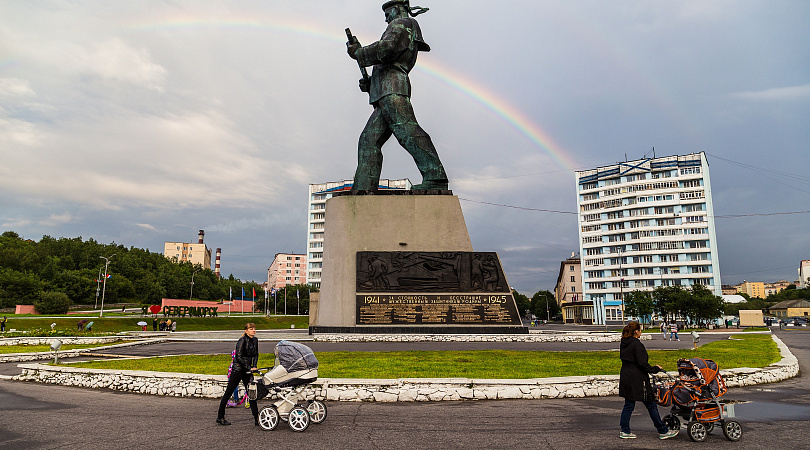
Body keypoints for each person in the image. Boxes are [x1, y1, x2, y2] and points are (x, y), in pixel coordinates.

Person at [346, 0, 449, 191]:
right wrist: (370, 84)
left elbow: (386, 50)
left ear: (398, 8)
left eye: (388, 12)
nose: (386, 17)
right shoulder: (402, 26)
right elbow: (388, 61)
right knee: (369, 139)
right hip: (387, 90)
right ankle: (364, 187)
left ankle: (435, 177)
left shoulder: (402, 23)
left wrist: (359, 52)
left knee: (406, 131)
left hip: (393, 88)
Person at [619, 321, 679, 440]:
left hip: (626, 376)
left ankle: (625, 430)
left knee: (629, 404)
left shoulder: (624, 343)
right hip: (638, 379)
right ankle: (662, 430)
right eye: (640, 330)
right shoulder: (637, 344)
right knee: (651, 404)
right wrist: (655, 369)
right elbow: (642, 363)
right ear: (636, 332)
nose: (641, 332)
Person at [217, 323, 260, 426]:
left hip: (247, 371)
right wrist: (249, 367)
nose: (253, 330)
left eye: (254, 329)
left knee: (252, 394)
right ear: (246, 331)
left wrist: (254, 366)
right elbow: (239, 357)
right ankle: (220, 417)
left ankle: (257, 418)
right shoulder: (242, 340)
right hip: (238, 370)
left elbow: (256, 354)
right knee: (228, 392)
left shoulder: (255, 340)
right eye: (251, 329)